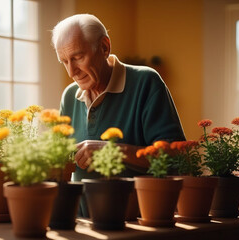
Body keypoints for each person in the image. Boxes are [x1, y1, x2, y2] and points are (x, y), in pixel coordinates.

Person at [51, 14, 186, 217]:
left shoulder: (146, 82)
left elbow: (176, 158)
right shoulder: (69, 96)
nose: (72, 72)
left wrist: (113, 151)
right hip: (81, 224)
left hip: (136, 222)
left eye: (78, 58)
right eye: (64, 61)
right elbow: (60, 165)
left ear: (104, 47)